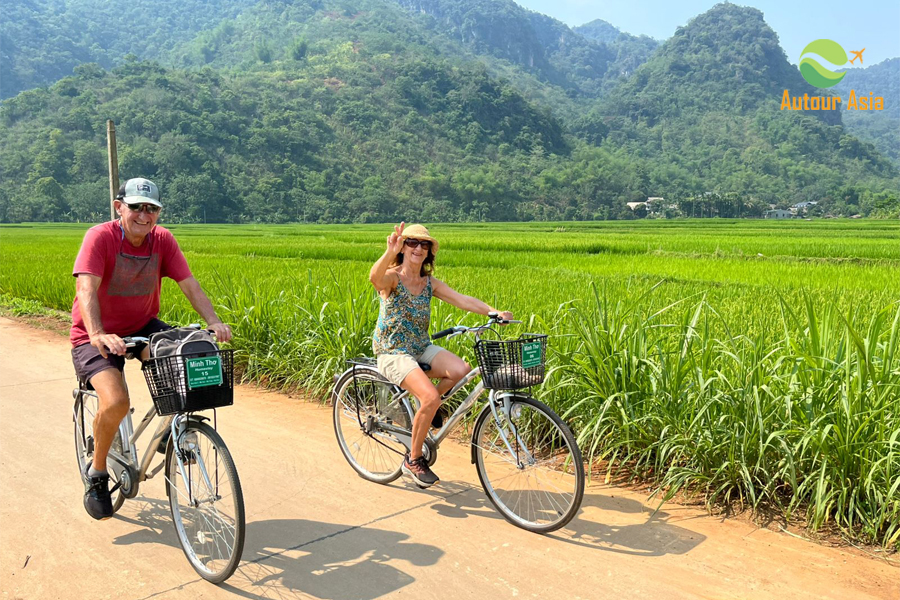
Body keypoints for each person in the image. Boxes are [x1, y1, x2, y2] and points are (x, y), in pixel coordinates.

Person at [70, 177, 232, 520]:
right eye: (136, 207)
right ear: (120, 208)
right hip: (94, 335)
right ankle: (97, 474)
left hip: (143, 327)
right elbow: (87, 288)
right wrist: (98, 333)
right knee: (115, 401)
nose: (144, 215)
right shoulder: (100, 238)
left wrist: (214, 321)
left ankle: (168, 432)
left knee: (186, 367)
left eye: (152, 208)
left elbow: (189, 284)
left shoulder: (163, 240)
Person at [369, 223, 513, 487]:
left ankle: (430, 407)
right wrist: (389, 252)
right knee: (430, 396)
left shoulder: (429, 283)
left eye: (424, 245)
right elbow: (374, 278)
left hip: (420, 346)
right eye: (412, 243)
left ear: (428, 253)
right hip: (393, 351)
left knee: (461, 371)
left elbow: (462, 299)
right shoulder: (392, 277)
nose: (418, 248)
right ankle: (412, 459)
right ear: (403, 247)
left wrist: (494, 312)